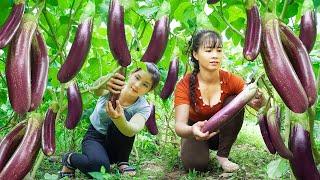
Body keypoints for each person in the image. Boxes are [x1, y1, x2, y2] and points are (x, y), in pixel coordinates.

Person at [174, 30, 265, 173]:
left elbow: (255, 103)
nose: (215, 55)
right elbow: (179, 126)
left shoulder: (231, 79)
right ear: (195, 54)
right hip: (195, 132)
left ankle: (222, 156)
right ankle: (190, 148)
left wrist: (258, 100)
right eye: (209, 50)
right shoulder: (184, 85)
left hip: (220, 134)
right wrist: (192, 130)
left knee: (236, 100)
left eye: (219, 50)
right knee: (195, 166)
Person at [58, 62, 160, 178]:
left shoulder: (143, 107)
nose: (137, 85)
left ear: (149, 90)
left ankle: (122, 161)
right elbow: (97, 90)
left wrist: (119, 119)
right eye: (137, 77)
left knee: (126, 120)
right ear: (131, 74)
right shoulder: (114, 85)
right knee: (99, 169)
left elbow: (132, 129)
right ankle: (70, 158)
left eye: (145, 85)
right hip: (95, 137)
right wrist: (104, 83)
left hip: (117, 145)